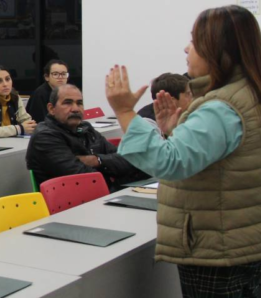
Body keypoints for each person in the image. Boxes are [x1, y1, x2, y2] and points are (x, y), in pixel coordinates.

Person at [105, 5, 261, 296]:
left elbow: (170, 164)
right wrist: (174, 133)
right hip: (238, 240)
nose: (187, 48)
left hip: (216, 248)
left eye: (195, 41)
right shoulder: (248, 93)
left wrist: (125, 111)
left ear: (218, 49)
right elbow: (226, 162)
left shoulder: (220, 107)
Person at [26, 84, 147, 190]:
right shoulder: (45, 136)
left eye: (79, 103)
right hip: (70, 205)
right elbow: (82, 177)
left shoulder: (85, 128)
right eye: (67, 103)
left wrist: (96, 160)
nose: (75, 109)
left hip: (101, 195)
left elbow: (131, 160)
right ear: (51, 109)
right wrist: (111, 167)